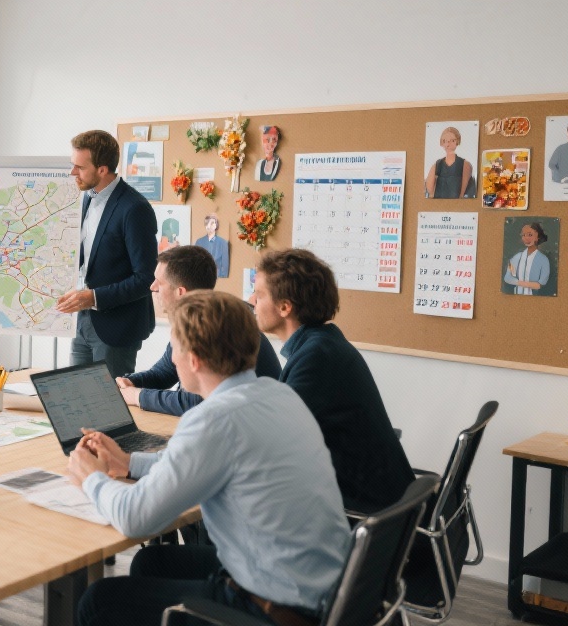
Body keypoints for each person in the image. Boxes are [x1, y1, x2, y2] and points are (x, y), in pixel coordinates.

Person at [70, 290, 350, 626]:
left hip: (275, 610)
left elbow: (135, 518)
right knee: (153, 562)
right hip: (326, 590)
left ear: (195, 359)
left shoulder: (215, 419)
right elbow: (196, 464)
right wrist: (129, 463)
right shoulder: (277, 394)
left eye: (174, 348)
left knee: (99, 602)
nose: (172, 359)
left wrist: (92, 479)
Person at [250, 249, 414, 514]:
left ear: (284, 307)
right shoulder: (323, 343)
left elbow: (270, 440)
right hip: (379, 508)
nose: (251, 301)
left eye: (259, 295)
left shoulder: (316, 357)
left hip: (365, 516)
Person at [116, 246, 280, 416]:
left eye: (159, 281)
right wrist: (130, 382)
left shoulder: (215, 325)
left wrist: (138, 396)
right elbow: (164, 372)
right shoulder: (195, 319)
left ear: (180, 292)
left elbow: (194, 402)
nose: (152, 287)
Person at [58, 129, 158, 377]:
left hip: (116, 329)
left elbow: (146, 278)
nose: (73, 173)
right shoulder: (85, 198)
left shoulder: (135, 209)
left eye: (79, 167)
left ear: (102, 169)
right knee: (77, 400)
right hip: (81, 321)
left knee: (109, 410)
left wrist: (94, 297)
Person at [425, 126, 474, 199]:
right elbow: (430, 190)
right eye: (445, 141)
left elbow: (462, 194)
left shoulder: (465, 164)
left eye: (452, 140)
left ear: (457, 141)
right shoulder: (437, 165)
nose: (448, 144)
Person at [504, 222, 552, 294]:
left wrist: (518, 282)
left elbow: (541, 283)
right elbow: (507, 278)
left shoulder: (543, 260)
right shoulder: (516, 258)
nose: (526, 238)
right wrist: (531, 284)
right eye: (523, 235)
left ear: (538, 236)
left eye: (530, 235)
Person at [194, 213, 230, 278]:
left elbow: (225, 265)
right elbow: (196, 263)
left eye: (212, 223)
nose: (209, 226)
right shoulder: (199, 242)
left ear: (216, 225)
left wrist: (221, 276)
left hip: (218, 277)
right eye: (207, 223)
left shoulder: (223, 243)